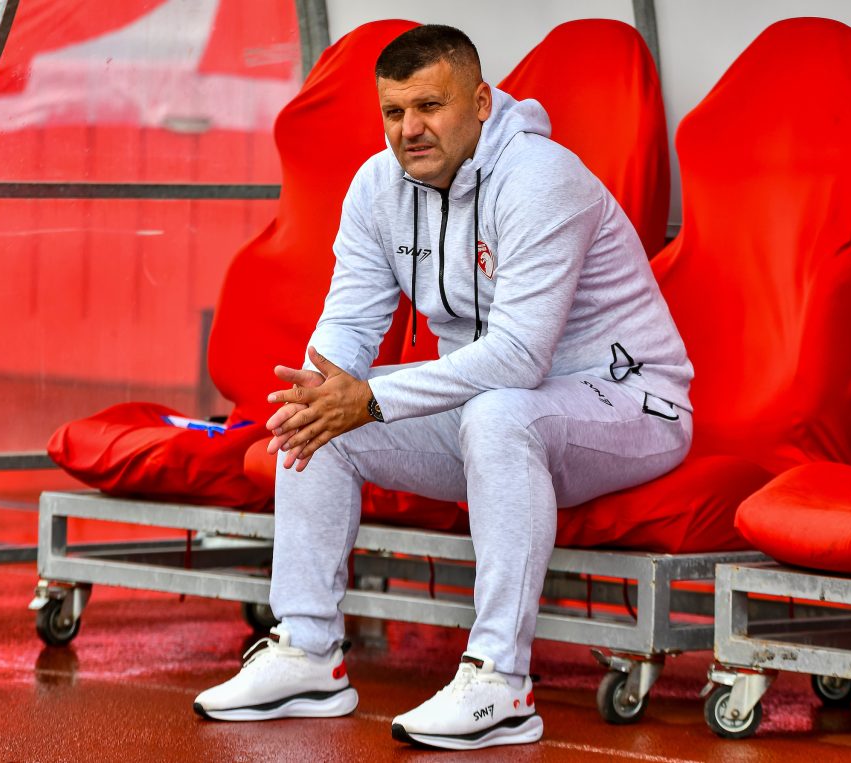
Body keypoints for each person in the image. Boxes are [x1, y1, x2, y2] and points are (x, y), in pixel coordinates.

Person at [194, 24, 693, 751]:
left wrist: (369, 399)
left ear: (482, 102)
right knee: (315, 416)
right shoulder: (376, 187)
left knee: (496, 415)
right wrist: (325, 390)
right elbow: (348, 324)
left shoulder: (541, 178)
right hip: (494, 405)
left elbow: (518, 357)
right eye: (394, 112)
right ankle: (306, 651)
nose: (410, 129)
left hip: (629, 404)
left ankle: (501, 679)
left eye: (430, 106)